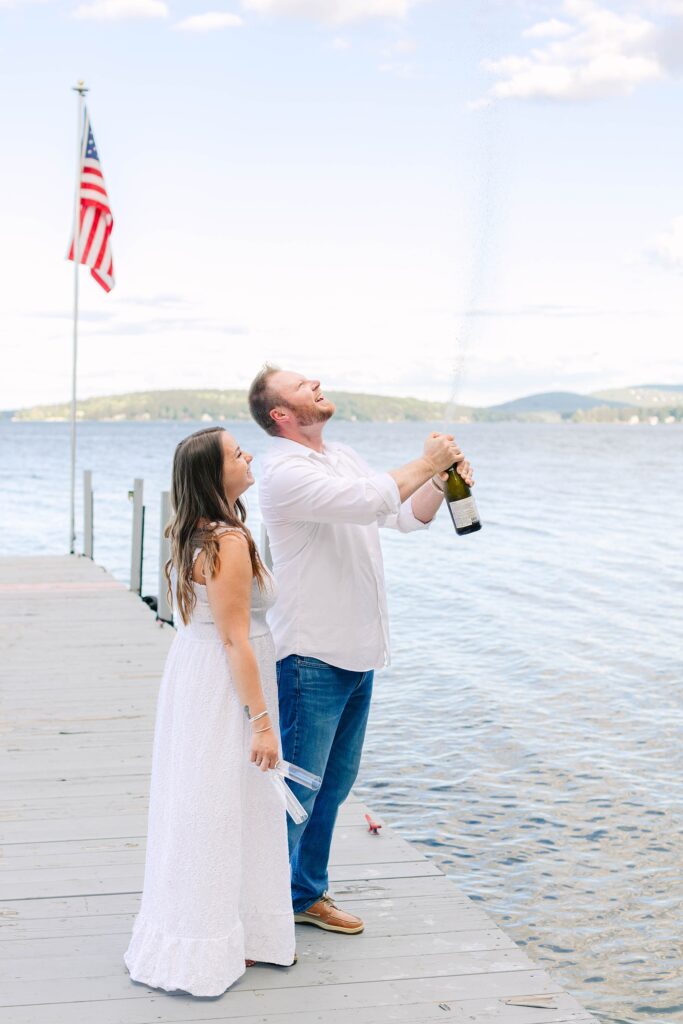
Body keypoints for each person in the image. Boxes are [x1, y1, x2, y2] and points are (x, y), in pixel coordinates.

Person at [248, 366, 474, 935]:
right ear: (281, 413)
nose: (317, 382)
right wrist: (425, 461)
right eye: (302, 384)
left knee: (334, 786)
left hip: (357, 651)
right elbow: (365, 499)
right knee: (295, 789)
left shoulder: (341, 454)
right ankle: (256, 910)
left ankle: (304, 894)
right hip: (309, 655)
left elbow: (400, 515)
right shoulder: (282, 469)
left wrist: (439, 479)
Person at [124, 426, 295, 997]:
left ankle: (226, 926)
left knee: (206, 801)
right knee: (220, 804)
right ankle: (209, 936)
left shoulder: (194, 532)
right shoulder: (228, 540)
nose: (249, 456)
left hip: (193, 677)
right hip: (223, 686)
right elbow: (235, 640)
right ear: (213, 474)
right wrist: (263, 722)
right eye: (237, 452)